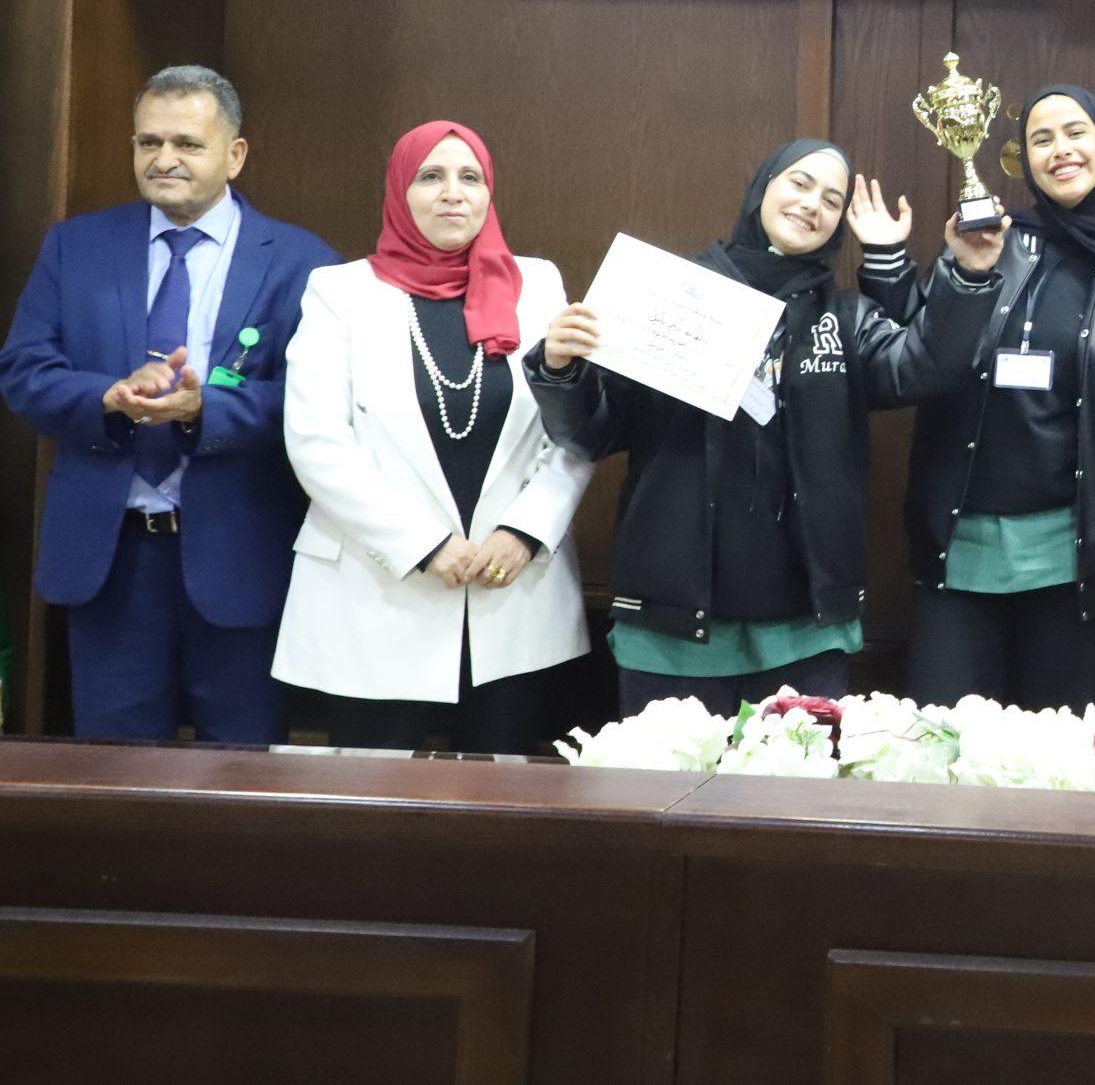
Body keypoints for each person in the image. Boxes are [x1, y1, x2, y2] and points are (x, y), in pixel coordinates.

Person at [526, 139, 1004, 719]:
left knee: (795, 778)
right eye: (799, 183)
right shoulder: (670, 297)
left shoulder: (843, 317)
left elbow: (924, 367)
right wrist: (559, 369)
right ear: (763, 188)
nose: (812, 204)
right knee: (663, 779)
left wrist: (967, 273)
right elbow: (590, 434)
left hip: (804, 627)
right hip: (674, 625)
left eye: (832, 200)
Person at [0, 66, 334, 743]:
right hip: (112, 559)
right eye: (149, 142)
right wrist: (104, 396)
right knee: (117, 774)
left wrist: (204, 411)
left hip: (241, 555)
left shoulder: (301, 261)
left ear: (234, 154)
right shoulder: (76, 246)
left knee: (240, 778)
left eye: (187, 143)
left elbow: (319, 404)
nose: (164, 159)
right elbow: (24, 370)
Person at [869, 86, 1095, 710]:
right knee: (947, 753)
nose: (1061, 150)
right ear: (1022, 159)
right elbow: (917, 359)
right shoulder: (985, 244)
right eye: (1041, 139)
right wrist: (922, 267)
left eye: (1076, 133)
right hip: (960, 555)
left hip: (1076, 562)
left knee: (1061, 758)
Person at [274, 122, 593, 753]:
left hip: (511, 592)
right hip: (377, 592)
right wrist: (422, 544)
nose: (453, 192)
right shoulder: (340, 292)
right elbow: (316, 440)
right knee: (372, 794)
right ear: (400, 190)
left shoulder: (537, 286)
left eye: (469, 177)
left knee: (504, 795)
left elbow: (573, 428)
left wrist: (526, 531)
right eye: (431, 177)